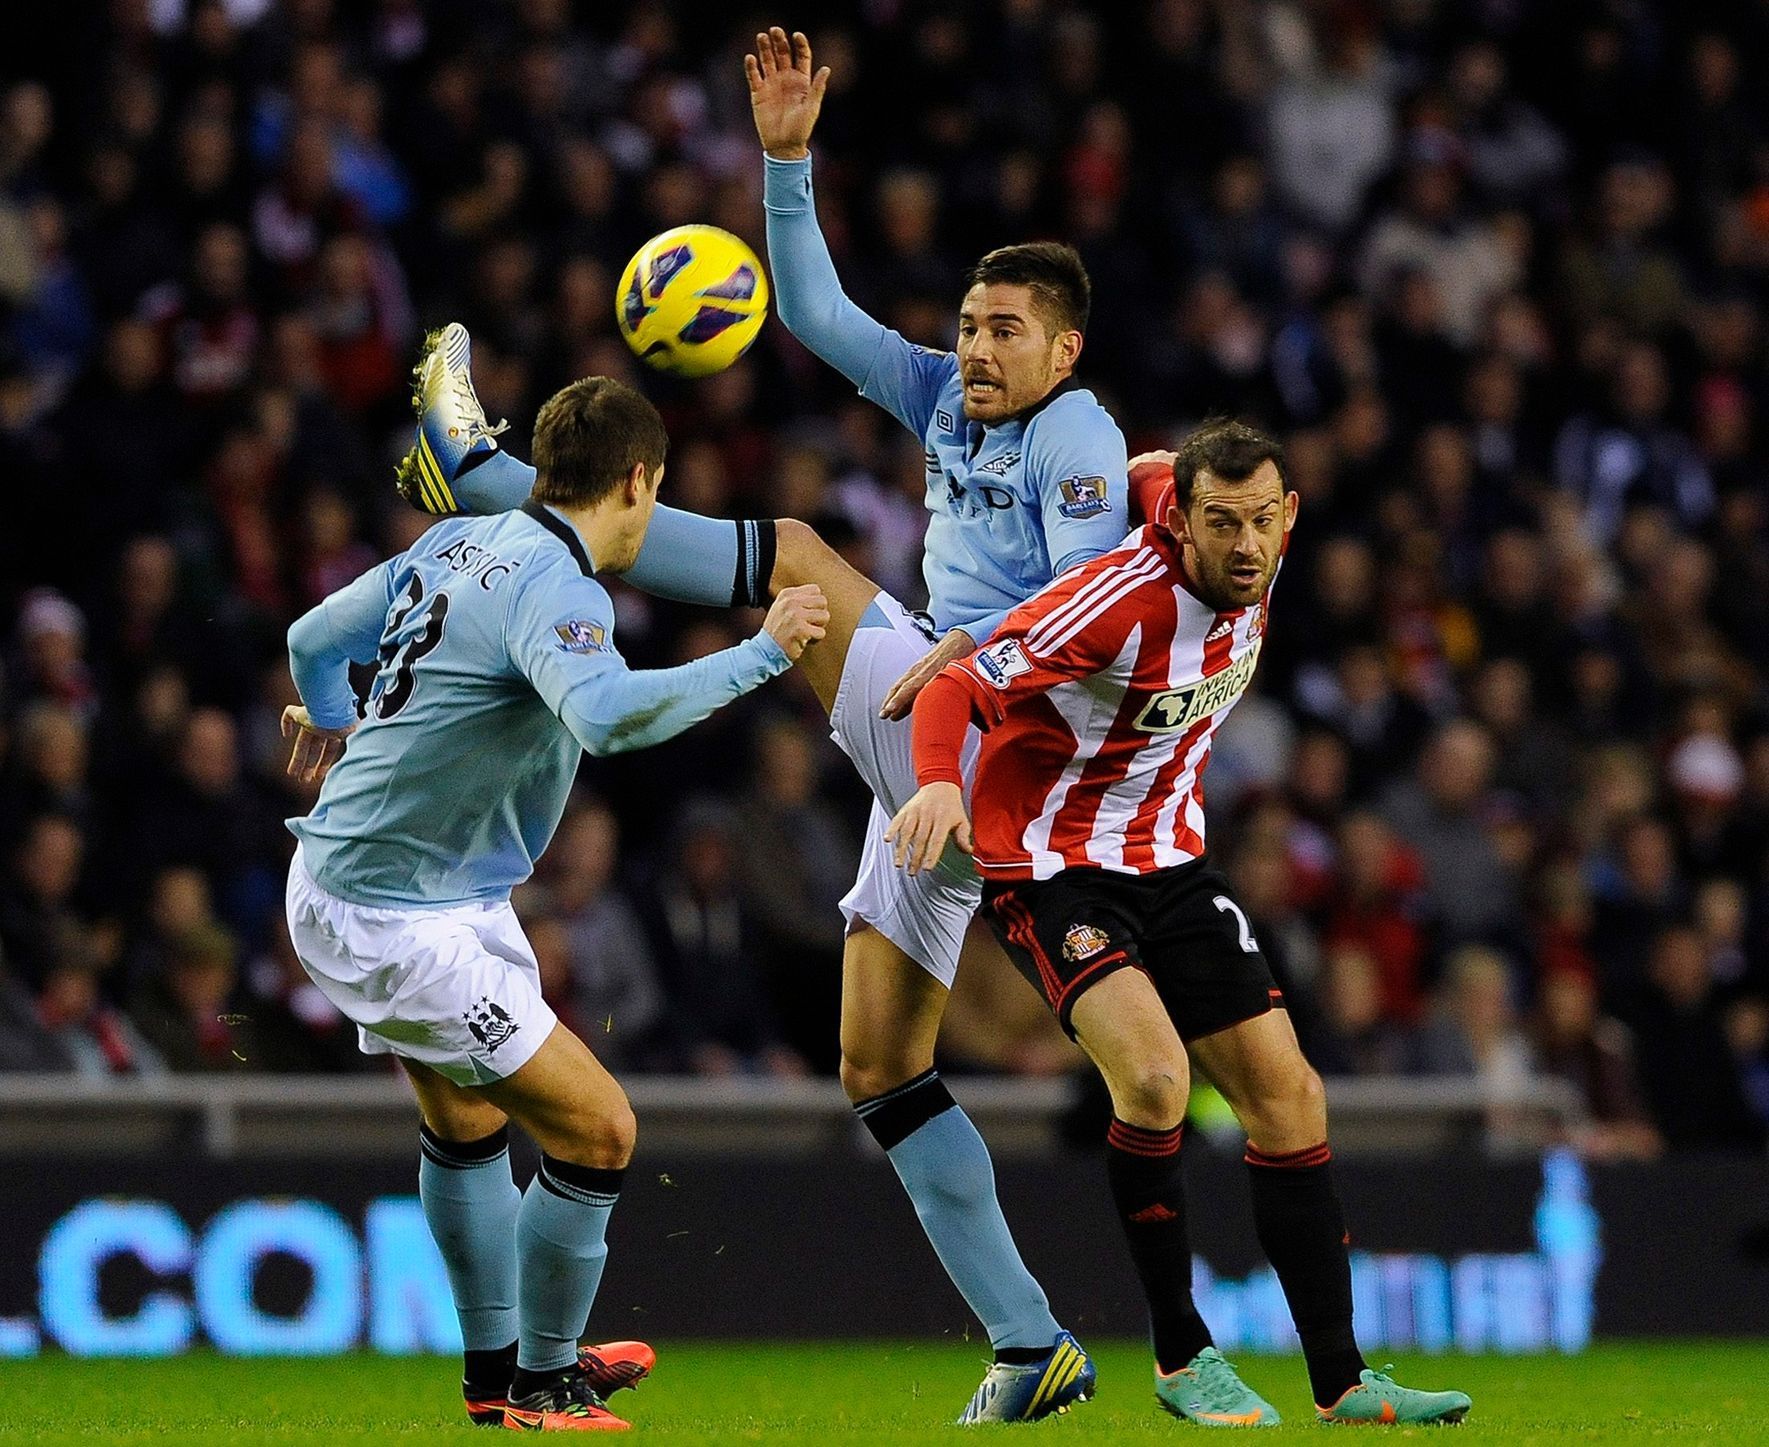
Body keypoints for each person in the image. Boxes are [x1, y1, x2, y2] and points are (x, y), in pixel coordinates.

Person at [391, 26, 1133, 1424]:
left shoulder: (1077, 437)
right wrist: (785, 165)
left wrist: (951, 700)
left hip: (997, 741)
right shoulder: (946, 399)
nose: (975, 348)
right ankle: (1031, 1339)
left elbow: (1084, 612)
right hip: (936, 750)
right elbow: (816, 317)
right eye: (970, 325)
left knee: (795, 550)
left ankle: (480, 474)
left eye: (1005, 331)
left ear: (1066, 349)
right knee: (881, 1064)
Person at [888, 420, 1472, 1427]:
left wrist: (1148, 479)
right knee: (1154, 1077)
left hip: (1170, 860)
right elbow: (955, 687)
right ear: (1184, 528)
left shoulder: (1231, 534)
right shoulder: (1121, 601)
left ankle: (1341, 1380)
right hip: (1051, 867)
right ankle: (1179, 1354)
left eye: (1259, 521)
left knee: (1289, 1095)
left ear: (1287, 516)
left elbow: (1147, 464)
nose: (1243, 544)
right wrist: (940, 779)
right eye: (1219, 524)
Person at [282, 375, 826, 1432]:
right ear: (637, 481)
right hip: (395, 916)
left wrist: (346, 729)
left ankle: (497, 1376)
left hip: (407, 886)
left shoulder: (454, 538)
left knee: (468, 1119)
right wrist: (764, 652)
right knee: (598, 1129)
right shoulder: (559, 586)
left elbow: (312, 636)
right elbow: (609, 718)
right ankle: (542, 1380)